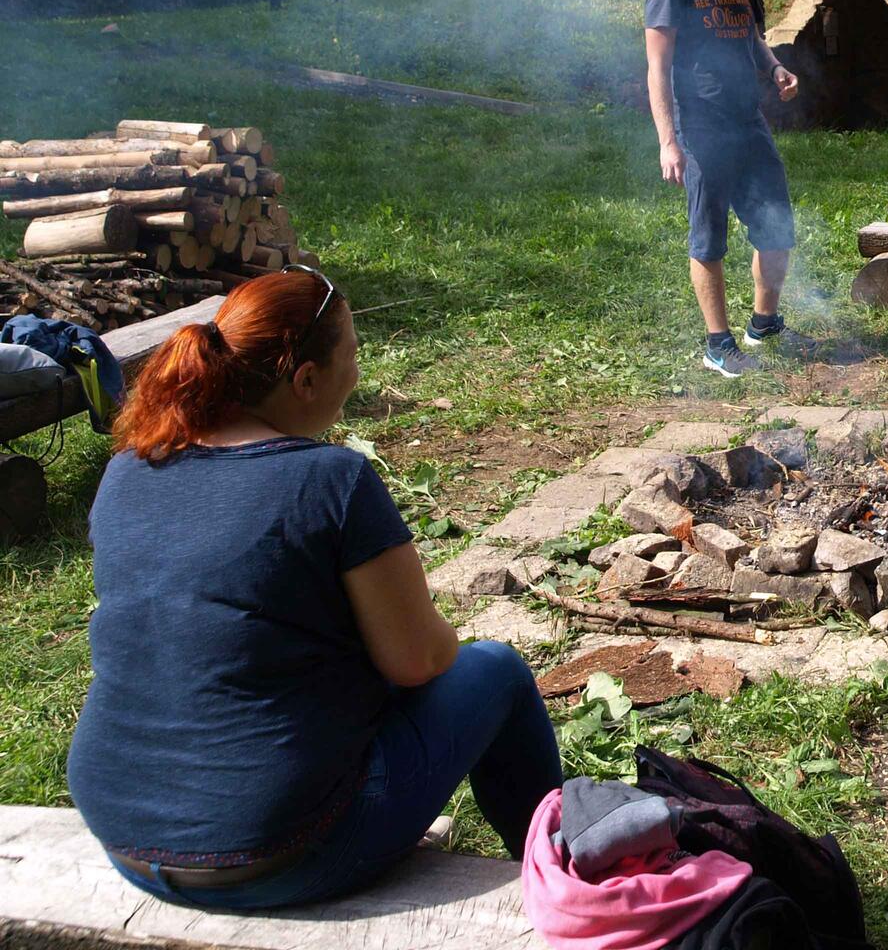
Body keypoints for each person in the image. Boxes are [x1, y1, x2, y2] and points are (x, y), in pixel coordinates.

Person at [66, 268, 562, 908]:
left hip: (126, 838)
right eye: (351, 358)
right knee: (496, 669)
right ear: (305, 380)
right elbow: (417, 661)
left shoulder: (130, 466)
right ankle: (562, 874)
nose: (358, 375)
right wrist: (435, 633)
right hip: (276, 851)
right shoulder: (332, 480)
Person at [646, 0, 802, 378]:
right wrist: (668, 140)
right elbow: (657, 68)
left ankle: (764, 323)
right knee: (709, 237)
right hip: (701, 126)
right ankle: (718, 344)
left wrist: (775, 67)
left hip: (749, 120)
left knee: (776, 227)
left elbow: (752, 35)